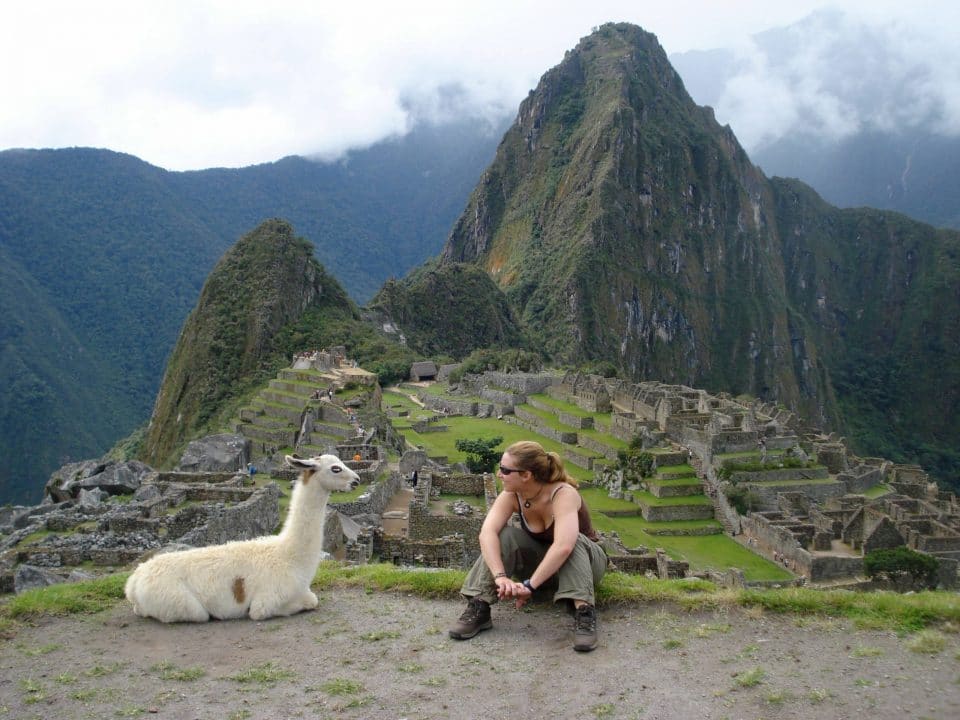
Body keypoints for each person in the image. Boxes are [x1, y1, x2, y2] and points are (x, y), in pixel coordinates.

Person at [448, 440, 606, 652]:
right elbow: (487, 533)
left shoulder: (563, 494)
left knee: (572, 538)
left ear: (526, 475)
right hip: (545, 566)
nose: (499, 474)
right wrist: (500, 576)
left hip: (585, 564)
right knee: (505, 535)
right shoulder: (513, 495)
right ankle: (480, 605)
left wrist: (530, 586)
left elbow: (564, 547)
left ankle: (583, 611)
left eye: (505, 470)